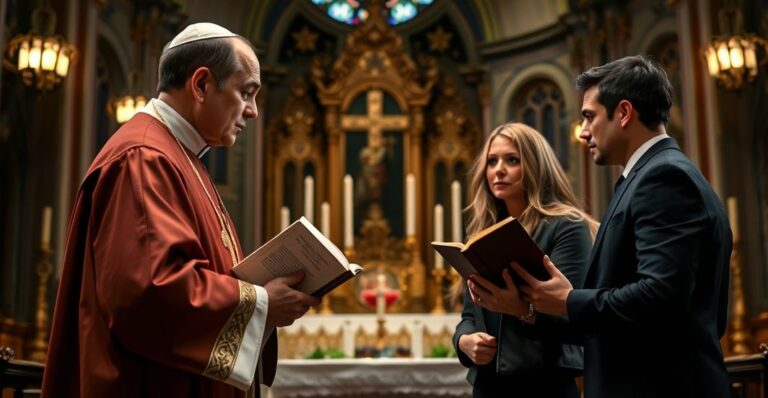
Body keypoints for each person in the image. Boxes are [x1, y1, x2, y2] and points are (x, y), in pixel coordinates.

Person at [42, 23, 321, 397]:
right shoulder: (143, 158)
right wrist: (263, 305)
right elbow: (148, 293)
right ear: (202, 85)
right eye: (246, 92)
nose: (253, 111)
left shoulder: (179, 156)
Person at [511, 55, 732, 398]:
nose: (583, 132)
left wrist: (569, 300)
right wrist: (533, 309)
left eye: (589, 117)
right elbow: (619, 320)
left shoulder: (664, 178)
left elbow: (659, 297)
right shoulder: (646, 176)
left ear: (624, 113)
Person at [452, 122, 597, 398]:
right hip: (488, 387)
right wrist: (465, 341)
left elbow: (577, 318)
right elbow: (470, 315)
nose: (499, 170)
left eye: (512, 160)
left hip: (544, 383)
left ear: (535, 165)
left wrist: (521, 310)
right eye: (492, 161)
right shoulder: (482, 235)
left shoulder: (566, 226)